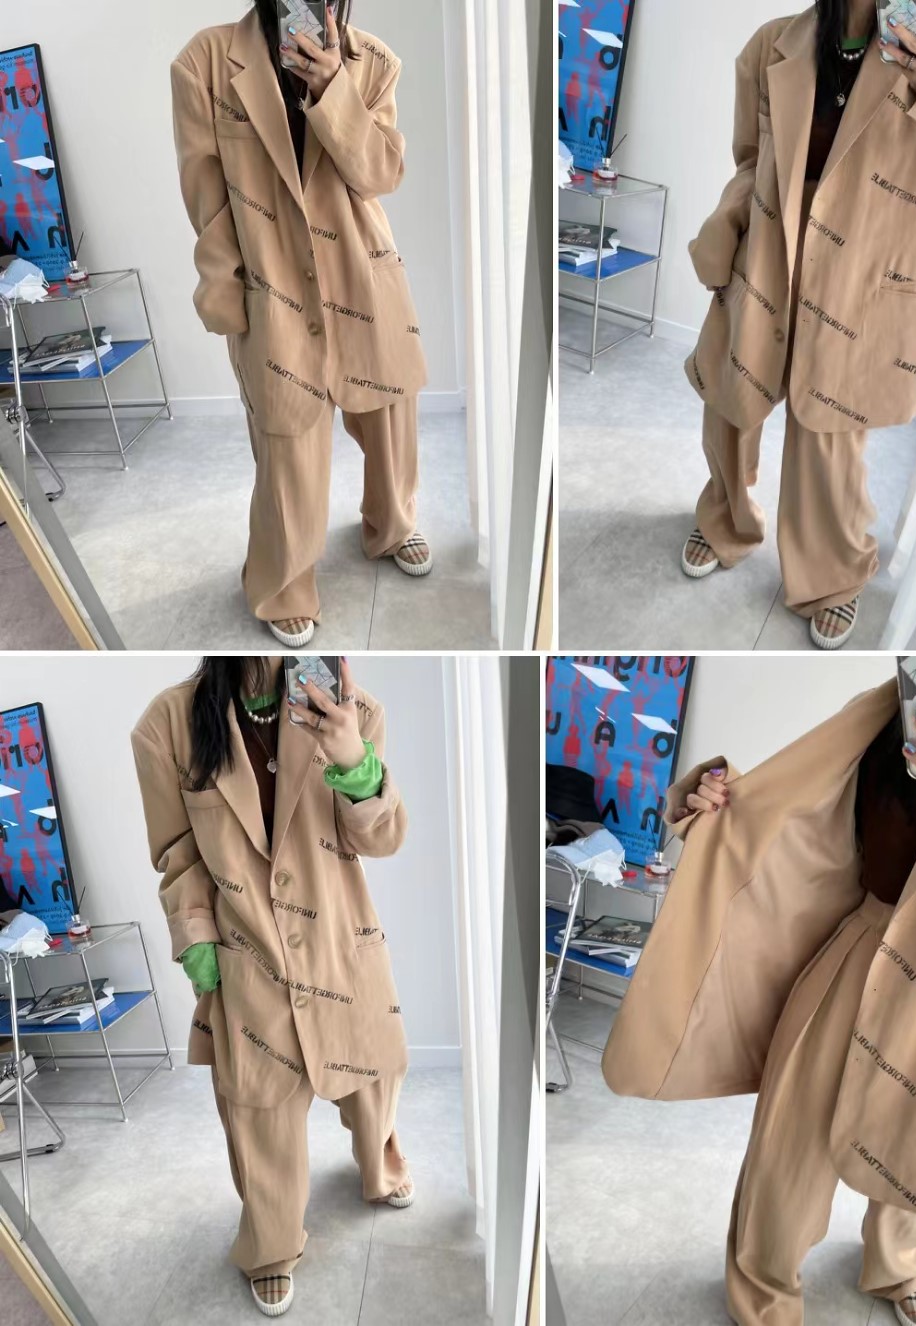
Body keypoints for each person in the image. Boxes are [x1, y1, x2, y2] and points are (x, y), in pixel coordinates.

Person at [602, 657, 916, 1326]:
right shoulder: (896, 698)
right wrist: (713, 802)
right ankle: (763, 1288)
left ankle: (900, 1264)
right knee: (789, 1139)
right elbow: (801, 820)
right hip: (864, 940)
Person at [680, 0, 916, 649]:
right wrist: (726, 223)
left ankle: (833, 577)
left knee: (829, 439)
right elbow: (750, 159)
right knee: (731, 404)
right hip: (769, 255)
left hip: (859, 280)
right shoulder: (772, 44)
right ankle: (724, 518)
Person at [131, 657, 413, 1317]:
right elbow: (177, 852)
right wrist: (196, 938)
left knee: (373, 1078)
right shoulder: (166, 725)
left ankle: (380, 1167)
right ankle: (270, 1246)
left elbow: (381, 841)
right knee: (259, 1115)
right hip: (248, 952)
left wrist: (355, 761)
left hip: (341, 944)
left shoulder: (355, 709)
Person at [171, 1, 432, 650]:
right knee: (287, 437)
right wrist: (228, 296)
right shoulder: (205, 62)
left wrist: (333, 87)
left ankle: (393, 526)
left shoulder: (374, 62)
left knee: (391, 415)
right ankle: (283, 583)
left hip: (361, 268)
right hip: (273, 280)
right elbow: (206, 198)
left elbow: (382, 173)